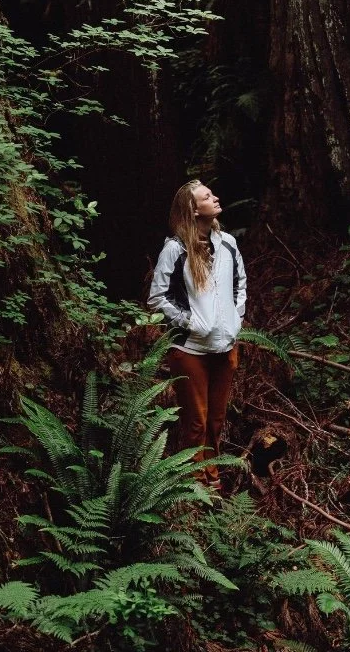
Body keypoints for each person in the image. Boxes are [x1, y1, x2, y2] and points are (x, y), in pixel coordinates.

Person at [147, 180, 247, 490]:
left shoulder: (228, 242)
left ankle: (212, 480)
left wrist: (236, 320)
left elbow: (240, 283)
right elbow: (157, 297)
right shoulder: (175, 249)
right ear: (193, 209)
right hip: (190, 349)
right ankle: (193, 487)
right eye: (207, 196)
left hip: (225, 346)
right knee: (196, 421)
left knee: (216, 421)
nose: (215, 198)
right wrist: (192, 323)